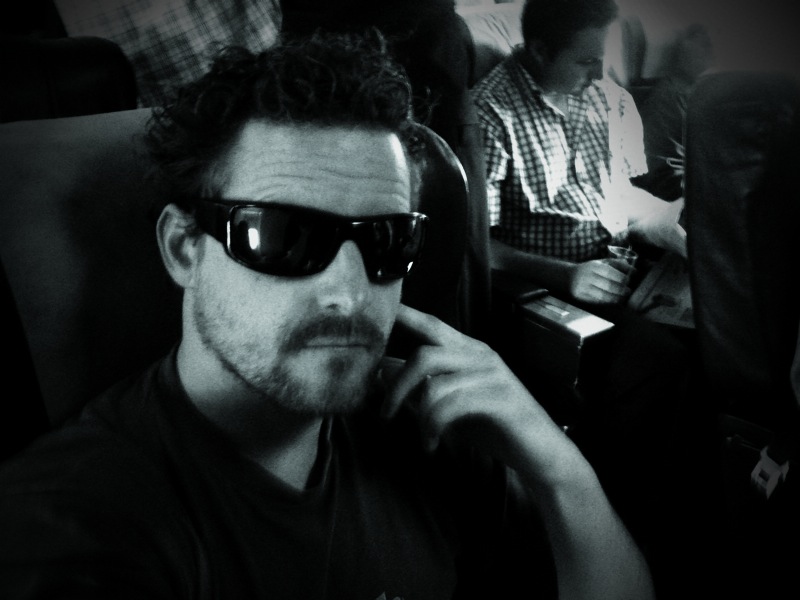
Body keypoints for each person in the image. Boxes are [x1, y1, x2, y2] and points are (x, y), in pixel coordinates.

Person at [0, 30, 654, 599]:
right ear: (184, 248)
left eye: (386, 241)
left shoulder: (435, 429)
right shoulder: (75, 519)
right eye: (284, 235)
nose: (350, 292)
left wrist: (560, 471)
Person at [472, 0, 706, 595]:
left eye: (601, 59)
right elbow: (479, 248)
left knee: (714, 326)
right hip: (547, 291)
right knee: (658, 362)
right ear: (539, 51)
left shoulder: (604, 98)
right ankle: (611, 528)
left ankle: (677, 523)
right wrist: (565, 276)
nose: (599, 75)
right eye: (584, 61)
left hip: (617, 262)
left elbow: (619, 195)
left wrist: (668, 223)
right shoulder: (491, 113)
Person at [632, 23, 714, 201]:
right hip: (671, 190)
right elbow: (660, 171)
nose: (710, 54)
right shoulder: (673, 95)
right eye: (704, 45)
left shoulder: (699, 93)